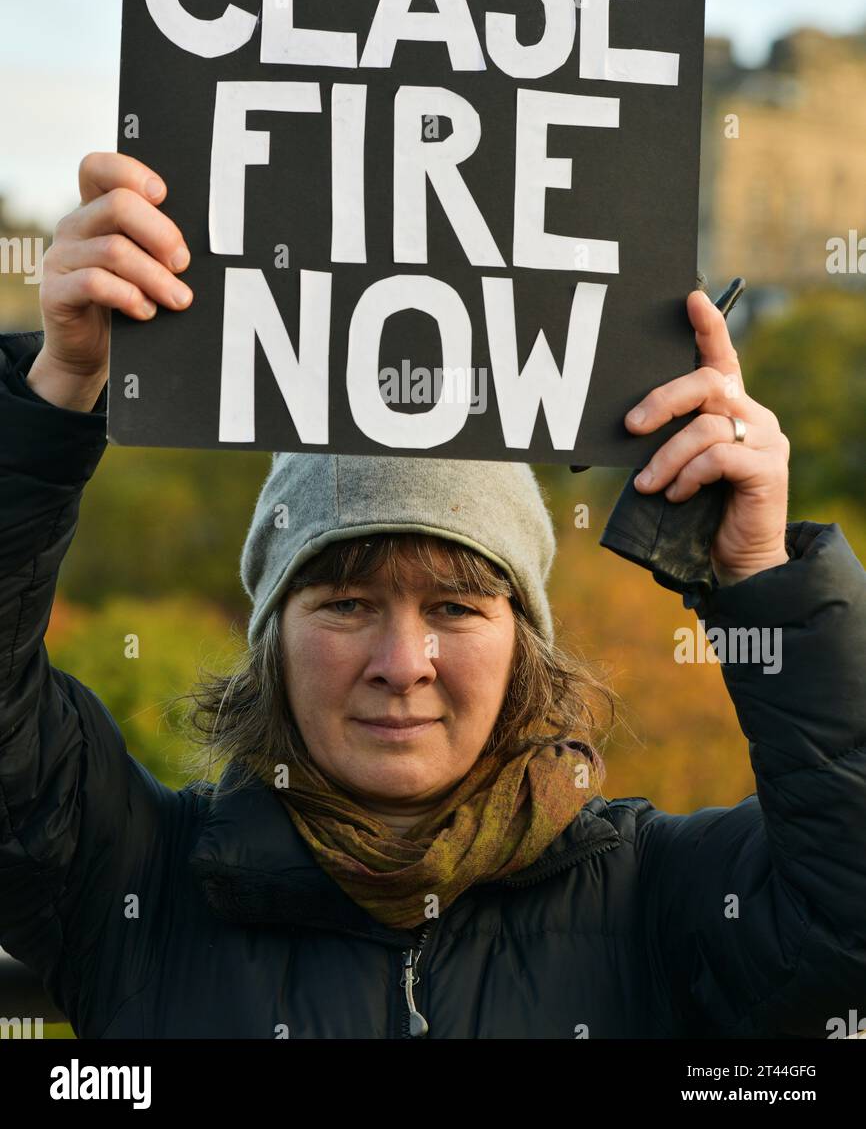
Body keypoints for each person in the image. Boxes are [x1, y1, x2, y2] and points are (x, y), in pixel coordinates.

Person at [1, 150, 864, 1040]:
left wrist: (759, 569)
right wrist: (59, 388)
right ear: (271, 635)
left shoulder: (660, 899)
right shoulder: (132, 884)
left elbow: (848, 926)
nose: (402, 664)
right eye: (345, 603)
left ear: (524, 639)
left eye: (455, 607)